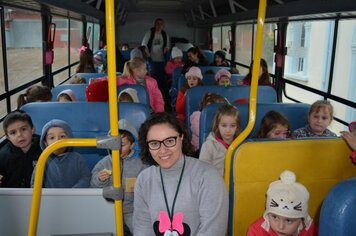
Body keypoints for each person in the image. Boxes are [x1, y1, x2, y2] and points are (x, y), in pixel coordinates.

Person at [133, 112, 228, 235]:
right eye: (154, 143)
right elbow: (142, 228)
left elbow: (213, 230)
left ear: (181, 137)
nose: (163, 150)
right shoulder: (144, 179)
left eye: (169, 141)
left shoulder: (208, 177)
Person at [91, 119, 146, 234]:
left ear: (132, 145)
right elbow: (92, 185)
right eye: (114, 144)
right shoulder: (104, 163)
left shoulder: (141, 163)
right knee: (101, 229)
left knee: (139, 230)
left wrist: (141, 187)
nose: (117, 149)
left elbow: (149, 183)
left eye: (122, 145)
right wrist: (100, 180)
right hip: (108, 208)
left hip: (132, 209)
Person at [247, 170, 318, 236]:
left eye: (288, 220)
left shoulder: (310, 231)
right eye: (275, 217)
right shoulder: (256, 231)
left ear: (302, 219)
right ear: (268, 214)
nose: (280, 227)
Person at [31, 119, 91, 188]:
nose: (57, 141)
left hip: (74, 196)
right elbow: (34, 184)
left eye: (62, 136)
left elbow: (86, 177)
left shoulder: (77, 158)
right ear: (45, 142)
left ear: (69, 139)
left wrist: (74, 190)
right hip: (50, 198)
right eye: (52, 138)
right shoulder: (42, 160)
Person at [0, 111, 41, 187]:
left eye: (23, 129)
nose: (19, 135)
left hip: (39, 193)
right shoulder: (3, 155)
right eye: (13, 133)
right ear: (8, 137)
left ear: (32, 129)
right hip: (11, 195)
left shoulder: (43, 147)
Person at [199, 104, 241, 176]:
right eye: (224, 125)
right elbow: (202, 171)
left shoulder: (241, 146)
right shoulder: (209, 146)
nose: (228, 130)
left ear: (237, 127)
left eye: (232, 126)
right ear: (217, 125)